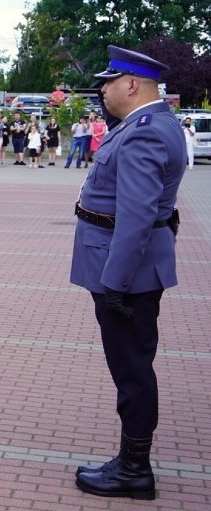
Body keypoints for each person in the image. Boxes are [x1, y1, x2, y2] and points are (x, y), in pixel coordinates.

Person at [71, 45, 186, 500]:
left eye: (108, 81)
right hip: (128, 268)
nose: (102, 89)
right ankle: (130, 460)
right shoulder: (149, 125)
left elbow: (137, 216)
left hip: (124, 275)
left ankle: (135, 470)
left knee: (132, 372)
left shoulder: (144, 132)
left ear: (132, 84)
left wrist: (115, 283)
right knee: (132, 368)